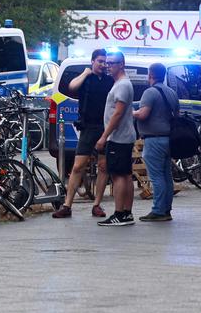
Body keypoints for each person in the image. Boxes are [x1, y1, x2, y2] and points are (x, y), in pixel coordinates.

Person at [52, 49, 114, 219]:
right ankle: (67, 205)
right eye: (100, 61)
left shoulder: (109, 81)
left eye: (105, 62)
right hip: (88, 127)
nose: (103, 64)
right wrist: (85, 73)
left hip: (104, 127)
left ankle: (97, 205)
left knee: (103, 166)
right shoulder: (85, 79)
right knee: (78, 166)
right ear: (92, 61)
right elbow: (72, 86)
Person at [94, 51, 137, 226]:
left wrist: (104, 136)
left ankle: (120, 213)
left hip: (118, 137)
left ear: (122, 64)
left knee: (119, 175)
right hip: (123, 136)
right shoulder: (121, 84)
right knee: (125, 174)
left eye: (112, 63)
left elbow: (118, 113)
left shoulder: (122, 85)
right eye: (107, 63)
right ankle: (126, 212)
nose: (108, 66)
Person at [133, 62, 176, 222]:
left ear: (150, 74)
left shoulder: (150, 93)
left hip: (154, 140)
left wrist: (132, 112)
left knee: (156, 176)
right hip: (169, 139)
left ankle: (158, 210)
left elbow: (143, 114)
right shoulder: (171, 92)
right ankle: (166, 209)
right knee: (166, 175)